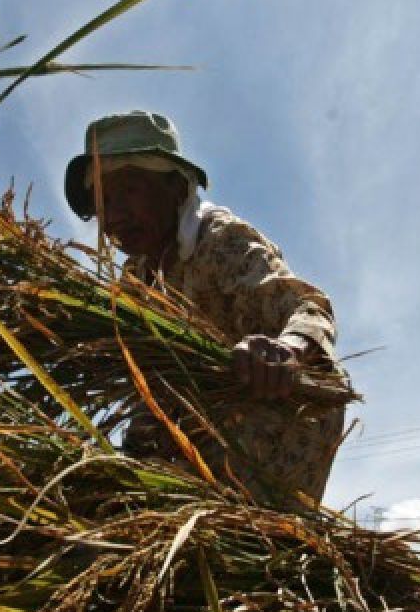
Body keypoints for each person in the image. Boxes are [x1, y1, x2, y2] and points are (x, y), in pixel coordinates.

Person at [63, 110, 345, 504]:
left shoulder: (219, 239)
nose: (114, 214)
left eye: (128, 190)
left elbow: (307, 306)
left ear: (176, 187)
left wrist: (288, 349)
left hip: (277, 415)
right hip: (198, 426)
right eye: (103, 201)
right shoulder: (135, 282)